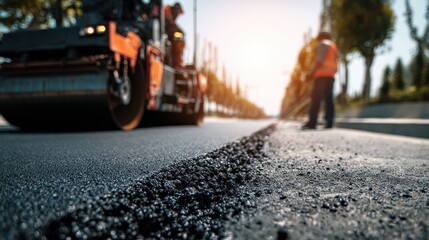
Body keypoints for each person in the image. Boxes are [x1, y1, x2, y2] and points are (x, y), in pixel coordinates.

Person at [302, 31, 338, 129]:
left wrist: (310, 74)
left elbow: (319, 60)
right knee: (328, 99)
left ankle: (312, 122)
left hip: (321, 75)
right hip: (331, 75)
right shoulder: (333, 46)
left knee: (316, 98)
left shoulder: (323, 44)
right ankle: (329, 122)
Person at [164, 2, 185, 67]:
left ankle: (177, 61)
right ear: (174, 9)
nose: (178, 13)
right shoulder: (167, 11)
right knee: (179, 38)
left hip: (168, 34)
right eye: (177, 10)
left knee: (180, 36)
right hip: (164, 32)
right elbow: (169, 23)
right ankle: (176, 61)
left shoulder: (173, 18)